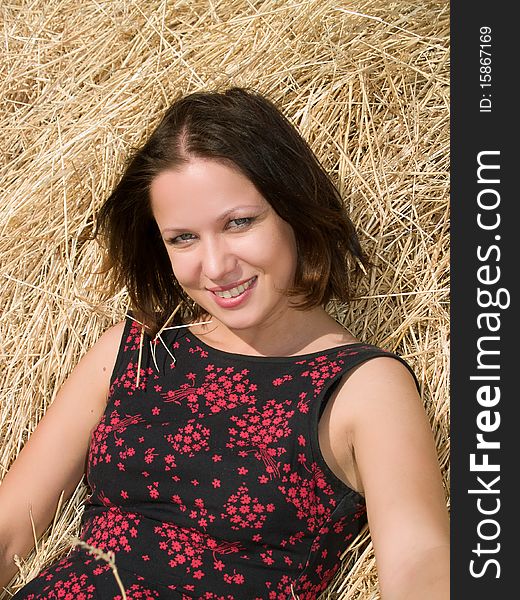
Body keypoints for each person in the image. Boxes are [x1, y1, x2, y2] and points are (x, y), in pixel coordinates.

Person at [0, 87, 449, 600]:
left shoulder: (363, 388)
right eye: (183, 238)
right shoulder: (134, 351)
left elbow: (419, 558)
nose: (214, 267)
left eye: (239, 223)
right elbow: (12, 526)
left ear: (294, 213)